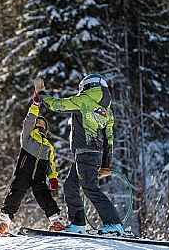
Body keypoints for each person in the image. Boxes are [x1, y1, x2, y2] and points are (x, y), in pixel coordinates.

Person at [35, 74, 125, 235]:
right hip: (91, 154)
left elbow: (57, 105)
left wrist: (41, 94)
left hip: (85, 152)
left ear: (86, 87)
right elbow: (109, 139)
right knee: (70, 186)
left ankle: (114, 224)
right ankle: (77, 224)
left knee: (90, 187)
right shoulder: (106, 111)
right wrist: (106, 164)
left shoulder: (84, 100)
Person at [0, 93, 65, 236]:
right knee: (16, 194)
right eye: (38, 122)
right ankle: (4, 222)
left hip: (39, 176)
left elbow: (51, 163)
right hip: (24, 172)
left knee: (44, 197)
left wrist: (52, 177)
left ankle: (56, 221)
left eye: (43, 124)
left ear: (46, 128)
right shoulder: (28, 137)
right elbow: (29, 120)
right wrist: (35, 104)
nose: (40, 124)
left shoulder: (48, 146)